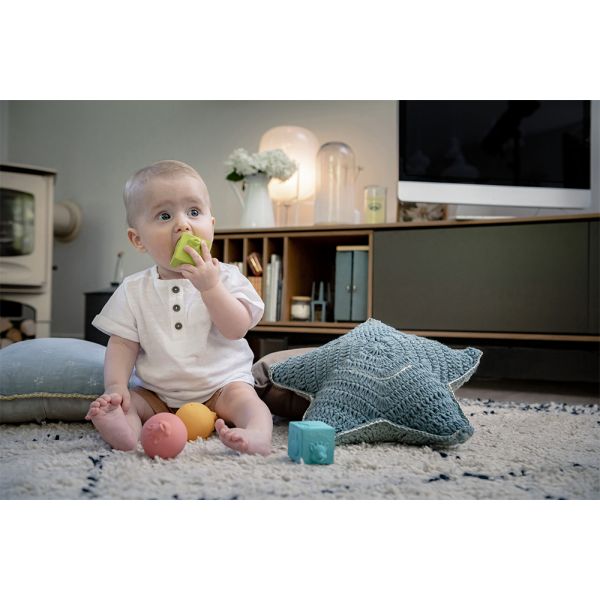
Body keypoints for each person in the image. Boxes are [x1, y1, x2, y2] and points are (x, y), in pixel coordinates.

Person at [85, 160, 272, 456]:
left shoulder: (227, 277)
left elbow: (236, 329)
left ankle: (257, 434)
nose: (183, 224)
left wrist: (210, 288)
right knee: (131, 401)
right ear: (138, 239)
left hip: (221, 387)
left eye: (194, 212)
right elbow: (122, 344)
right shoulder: (134, 289)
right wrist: (115, 386)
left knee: (249, 401)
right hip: (157, 393)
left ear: (211, 226)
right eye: (165, 215)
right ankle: (124, 430)